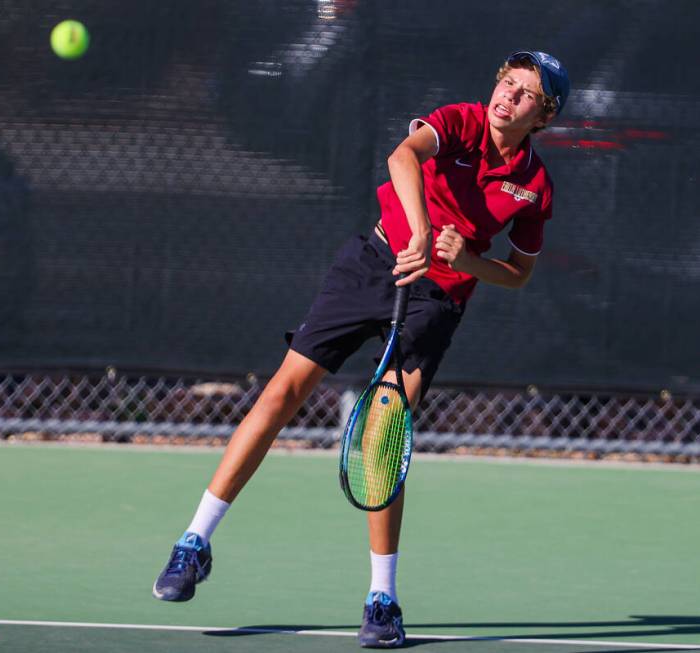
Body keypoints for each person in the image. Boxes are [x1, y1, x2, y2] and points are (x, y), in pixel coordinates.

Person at [151, 51, 570, 649]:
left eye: (526, 93)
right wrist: (421, 231)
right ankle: (193, 543)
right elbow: (403, 155)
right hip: (372, 265)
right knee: (282, 393)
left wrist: (467, 260)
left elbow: (518, 272)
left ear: (543, 114)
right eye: (507, 82)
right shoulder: (459, 120)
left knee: (384, 433)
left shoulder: (534, 187)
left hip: (437, 302)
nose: (508, 96)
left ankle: (382, 599)